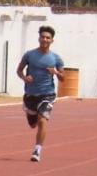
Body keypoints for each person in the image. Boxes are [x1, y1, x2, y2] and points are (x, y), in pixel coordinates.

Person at [16, 25, 65, 163]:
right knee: (33, 124)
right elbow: (19, 70)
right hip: (31, 94)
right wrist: (25, 78)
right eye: (43, 37)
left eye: (48, 38)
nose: (45, 39)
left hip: (47, 94)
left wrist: (55, 72)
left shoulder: (56, 58)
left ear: (52, 40)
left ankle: (37, 150)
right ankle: (30, 113)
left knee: (43, 120)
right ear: (39, 38)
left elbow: (63, 78)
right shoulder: (30, 55)